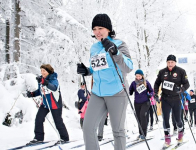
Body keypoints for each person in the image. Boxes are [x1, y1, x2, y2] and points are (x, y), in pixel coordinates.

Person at [77, 13, 133, 150]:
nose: (97, 32)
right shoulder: (94, 48)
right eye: (94, 29)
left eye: (100, 28)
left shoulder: (120, 44)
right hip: (98, 93)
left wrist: (115, 52)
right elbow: (97, 68)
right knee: (88, 127)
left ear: (108, 29)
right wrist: (87, 71)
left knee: (118, 131)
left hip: (117, 92)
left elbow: (129, 67)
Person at [26, 64, 69, 145]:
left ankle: (64, 138)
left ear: (49, 71)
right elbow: (40, 91)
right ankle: (38, 138)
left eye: (44, 71)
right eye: (41, 70)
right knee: (39, 119)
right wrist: (32, 94)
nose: (42, 72)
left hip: (55, 103)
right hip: (45, 104)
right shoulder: (41, 80)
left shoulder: (53, 79)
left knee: (58, 121)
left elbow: (54, 87)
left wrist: (45, 83)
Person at [154, 54, 190, 147]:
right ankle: (167, 140)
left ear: (175, 63)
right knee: (165, 119)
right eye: (168, 62)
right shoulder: (162, 72)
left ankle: (180, 135)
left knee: (178, 119)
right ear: (166, 62)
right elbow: (157, 83)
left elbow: (187, 84)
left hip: (176, 99)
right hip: (165, 99)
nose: (170, 64)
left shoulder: (181, 71)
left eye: (172, 62)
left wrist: (181, 89)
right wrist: (155, 93)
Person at [129, 69, 154, 140]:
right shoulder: (134, 83)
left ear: (142, 76)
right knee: (139, 118)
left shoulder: (146, 82)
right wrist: (130, 91)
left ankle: (144, 133)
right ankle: (140, 133)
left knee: (143, 116)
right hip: (137, 103)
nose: (138, 77)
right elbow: (130, 90)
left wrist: (150, 94)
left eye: (139, 76)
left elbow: (151, 91)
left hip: (145, 102)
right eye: (137, 76)